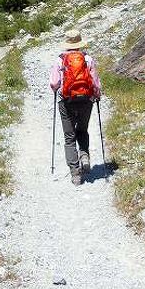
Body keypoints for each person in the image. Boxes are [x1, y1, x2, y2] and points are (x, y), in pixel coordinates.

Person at [49, 28, 102, 185]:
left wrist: (56, 89)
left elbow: (54, 83)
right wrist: (97, 95)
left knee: (69, 136)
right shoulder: (87, 59)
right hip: (86, 99)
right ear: (80, 43)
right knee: (82, 130)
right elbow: (94, 81)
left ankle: (75, 174)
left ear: (66, 44)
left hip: (66, 101)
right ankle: (84, 156)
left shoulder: (60, 60)